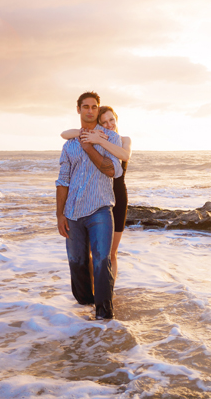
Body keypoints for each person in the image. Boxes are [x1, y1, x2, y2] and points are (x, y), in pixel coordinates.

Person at [55, 91, 123, 320]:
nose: (90, 110)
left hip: (100, 209)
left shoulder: (110, 139)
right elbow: (63, 180)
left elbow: (112, 170)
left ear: (98, 109)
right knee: (77, 264)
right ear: (79, 110)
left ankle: (105, 318)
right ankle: (84, 313)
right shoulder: (69, 145)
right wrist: (59, 215)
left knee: (102, 260)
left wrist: (90, 147)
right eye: (85, 107)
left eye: (94, 107)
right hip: (73, 213)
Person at [62, 105, 132, 279]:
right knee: (94, 254)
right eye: (104, 122)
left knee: (111, 253)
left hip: (118, 197)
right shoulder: (93, 136)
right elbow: (64, 134)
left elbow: (125, 156)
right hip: (97, 198)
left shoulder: (124, 140)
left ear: (116, 119)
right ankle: (94, 294)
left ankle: (110, 293)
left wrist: (100, 140)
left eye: (111, 120)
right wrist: (86, 133)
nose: (109, 125)